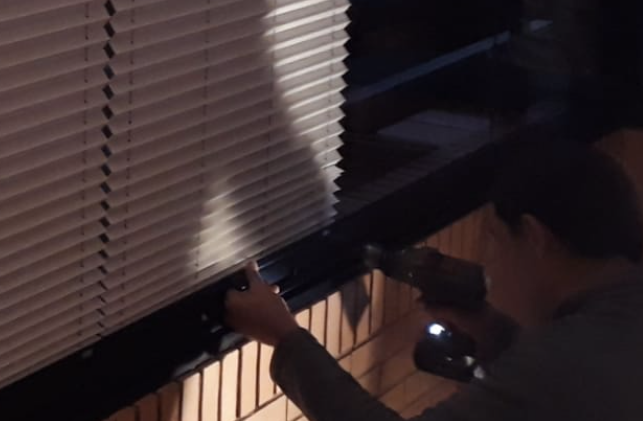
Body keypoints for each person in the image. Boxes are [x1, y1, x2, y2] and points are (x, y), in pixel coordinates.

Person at [223, 141, 643, 420]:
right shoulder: (615, 322)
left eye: (495, 242)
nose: (489, 264)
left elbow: (560, 378)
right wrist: (497, 336)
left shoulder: (565, 361)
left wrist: (286, 339)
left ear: (535, 237)